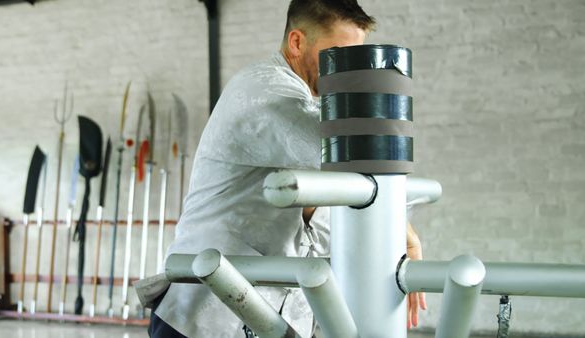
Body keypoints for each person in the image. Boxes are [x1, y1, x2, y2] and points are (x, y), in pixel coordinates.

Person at [149, 1, 425, 337]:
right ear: (297, 42)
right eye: (338, 53)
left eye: (357, 55)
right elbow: (344, 154)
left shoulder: (324, 107)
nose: (348, 69)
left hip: (274, 319)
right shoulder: (264, 90)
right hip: (206, 318)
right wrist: (406, 234)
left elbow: (355, 182)